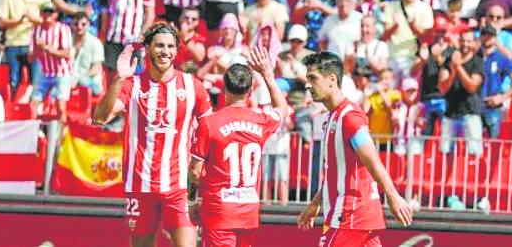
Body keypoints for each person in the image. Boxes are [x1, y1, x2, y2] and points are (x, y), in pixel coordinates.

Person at [93, 22, 212, 247]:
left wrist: (198, 161)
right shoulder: (132, 84)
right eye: (158, 46)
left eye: (169, 46)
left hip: (179, 185)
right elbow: (100, 118)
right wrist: (119, 79)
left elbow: (207, 126)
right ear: (147, 48)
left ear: (176, 50)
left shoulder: (191, 85)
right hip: (140, 184)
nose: (164, 51)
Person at [297, 51, 414, 245]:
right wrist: (316, 203)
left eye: (313, 78)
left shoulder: (349, 117)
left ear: (331, 80)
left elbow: (372, 159)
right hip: (357, 216)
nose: (308, 84)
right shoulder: (332, 118)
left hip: (350, 216)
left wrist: (393, 196)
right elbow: (337, 171)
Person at [189, 46, 290, 246]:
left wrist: (195, 201)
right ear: (251, 91)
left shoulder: (210, 123)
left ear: (224, 88)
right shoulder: (261, 120)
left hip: (219, 211)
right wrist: (268, 75)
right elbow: (282, 108)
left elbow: (194, 171)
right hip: (248, 212)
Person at [439, 29, 484, 156]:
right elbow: (442, 88)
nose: (465, 44)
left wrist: (458, 67)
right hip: (450, 114)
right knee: (445, 153)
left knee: (473, 153)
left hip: (471, 113)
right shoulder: (448, 62)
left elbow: (472, 87)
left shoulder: (478, 62)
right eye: (463, 40)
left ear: (474, 44)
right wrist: (453, 71)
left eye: (469, 41)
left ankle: (472, 176)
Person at [30, 2, 73, 123]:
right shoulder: (36, 31)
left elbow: (67, 54)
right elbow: (31, 58)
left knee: (60, 106)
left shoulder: (63, 29)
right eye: (45, 12)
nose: (47, 14)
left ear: (56, 14)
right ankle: (33, 134)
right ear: (41, 14)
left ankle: (61, 136)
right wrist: (38, 49)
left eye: (51, 12)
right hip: (45, 72)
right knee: (33, 104)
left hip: (62, 72)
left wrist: (49, 49)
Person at [479, 25, 512, 138]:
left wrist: (503, 97)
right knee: (472, 145)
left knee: (494, 145)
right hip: (474, 106)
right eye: (484, 35)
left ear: (495, 38)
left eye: (490, 36)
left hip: (493, 105)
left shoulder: (500, 58)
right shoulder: (474, 57)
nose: (487, 38)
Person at [71, 12, 104, 96]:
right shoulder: (67, 41)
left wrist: (78, 79)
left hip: (90, 80)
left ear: (88, 25)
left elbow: (96, 68)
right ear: (71, 24)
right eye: (76, 24)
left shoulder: (95, 42)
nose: (79, 27)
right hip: (71, 79)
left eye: (83, 24)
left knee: (83, 82)